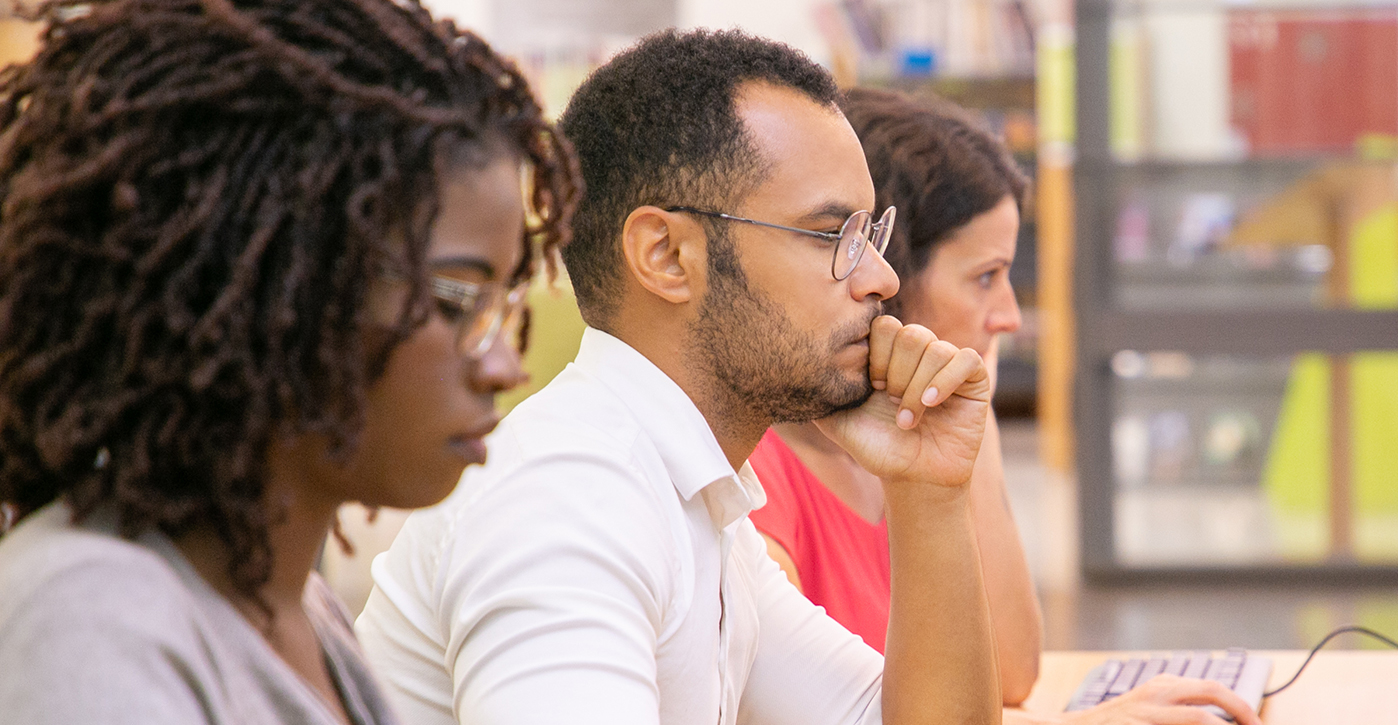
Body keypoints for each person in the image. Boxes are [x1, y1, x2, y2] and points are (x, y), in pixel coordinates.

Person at [355, 29, 1020, 725]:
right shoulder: (571, 501)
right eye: (833, 237)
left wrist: (927, 490)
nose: (881, 278)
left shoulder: (700, 508)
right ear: (667, 255)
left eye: (869, 236)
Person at [0, 1, 576, 723]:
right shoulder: (91, 618)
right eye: (457, 302)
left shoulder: (299, 606)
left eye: (504, 305)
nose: (502, 365)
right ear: (285, 285)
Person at [750, 89, 1264, 725]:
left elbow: (1012, 671)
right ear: (893, 283)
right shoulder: (760, 485)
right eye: (985, 277)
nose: (1010, 316)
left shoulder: (891, 459)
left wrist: (971, 427)